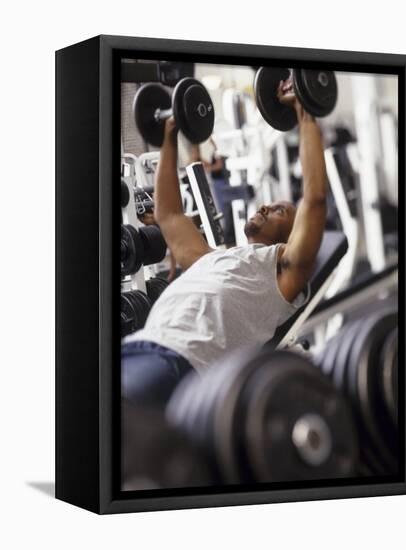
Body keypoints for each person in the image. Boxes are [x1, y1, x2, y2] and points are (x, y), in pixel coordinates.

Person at [122, 81, 327, 410]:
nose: (263, 207)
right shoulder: (210, 258)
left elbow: (315, 199)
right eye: (267, 204)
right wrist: (169, 135)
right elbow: (169, 214)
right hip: (142, 344)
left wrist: (306, 111)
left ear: (293, 235)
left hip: (180, 363)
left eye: (279, 211)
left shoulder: (282, 275)